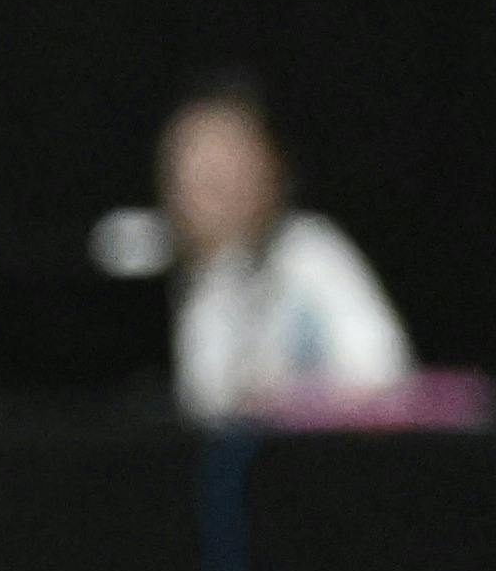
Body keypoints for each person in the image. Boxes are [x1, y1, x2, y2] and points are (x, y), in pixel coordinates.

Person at [157, 80, 413, 420]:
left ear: (268, 167)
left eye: (224, 172)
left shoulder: (311, 252)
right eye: (195, 178)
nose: (208, 195)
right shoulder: (212, 285)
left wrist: (286, 397)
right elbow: (204, 405)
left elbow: (382, 368)